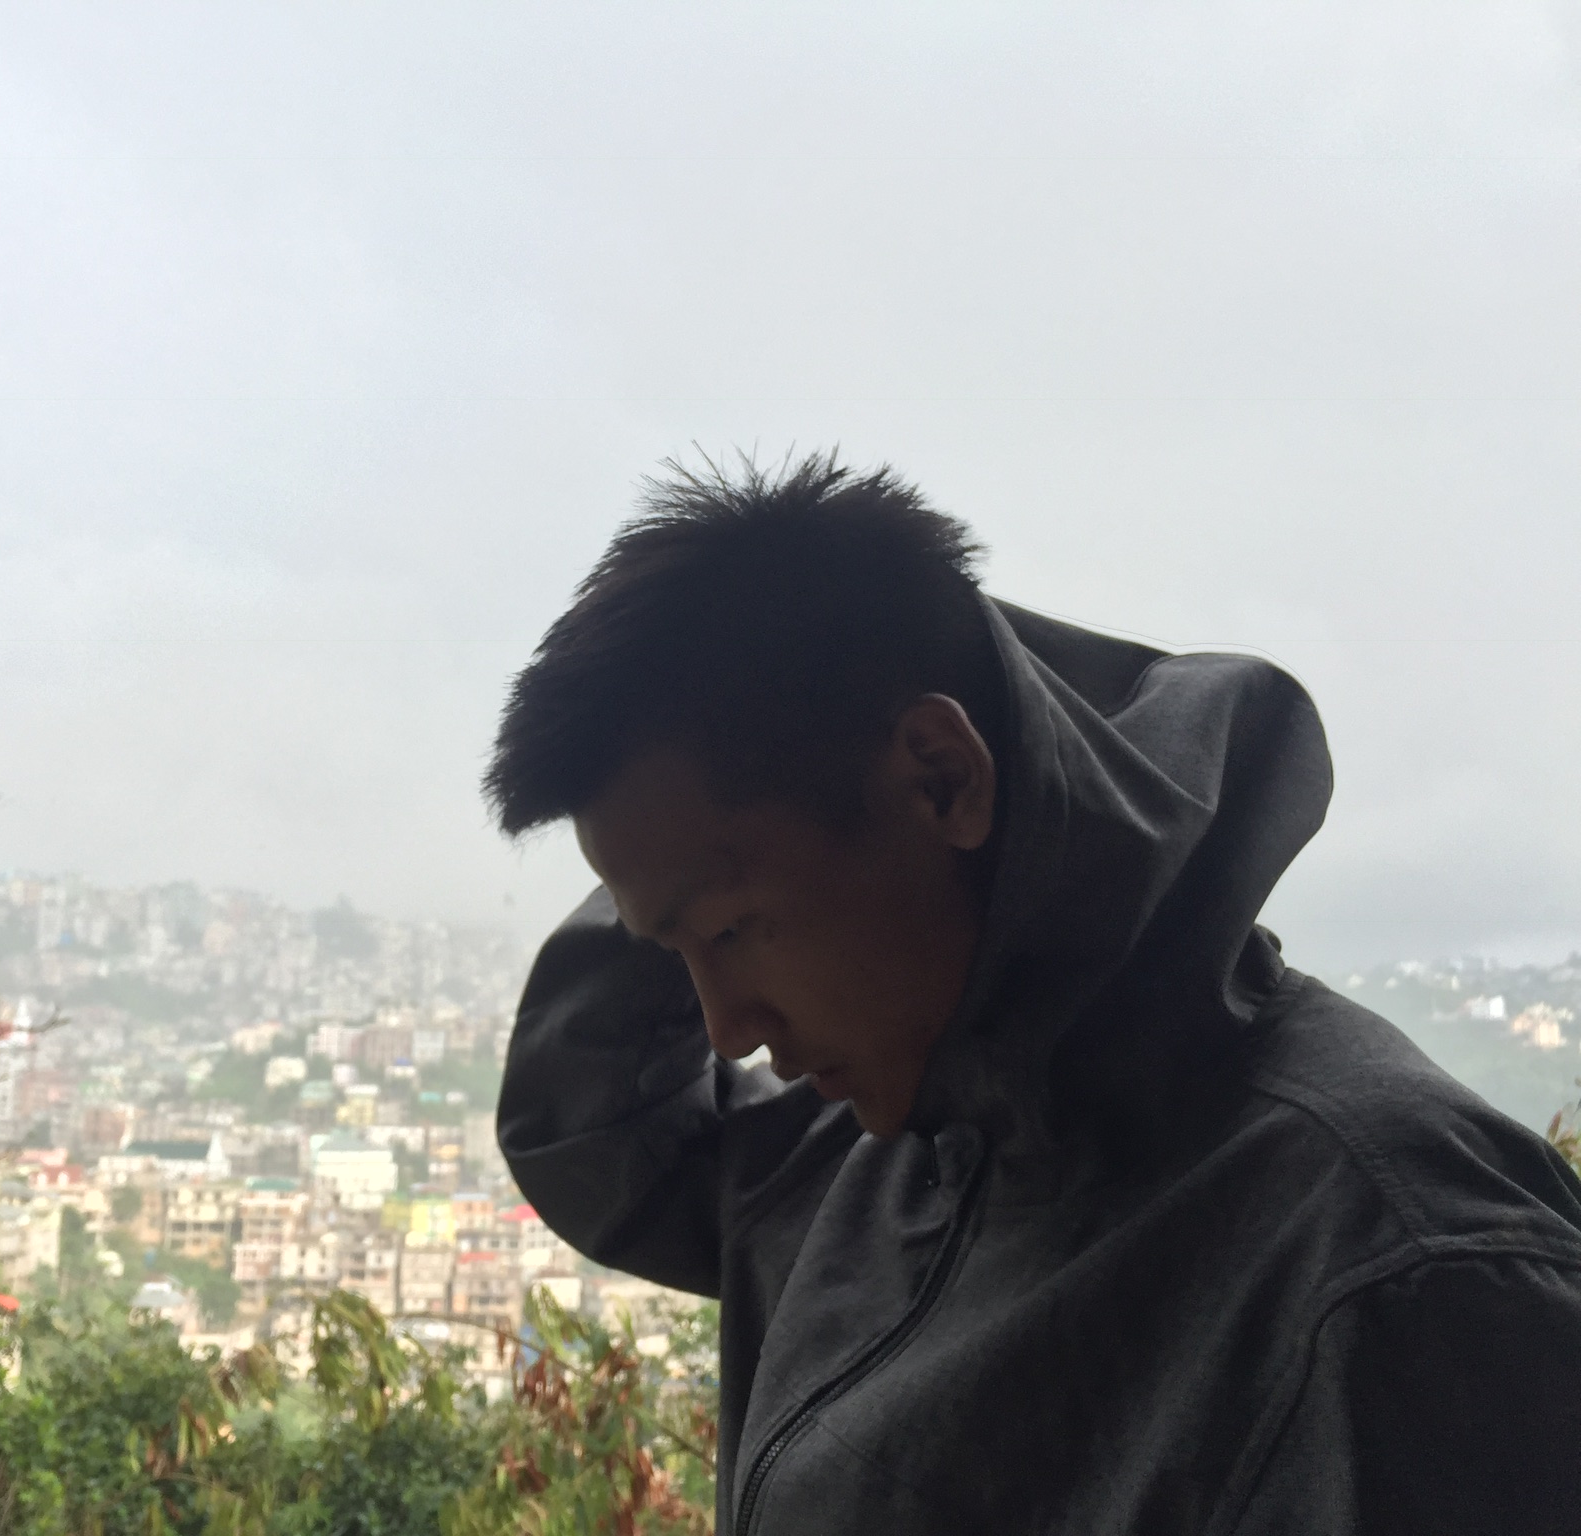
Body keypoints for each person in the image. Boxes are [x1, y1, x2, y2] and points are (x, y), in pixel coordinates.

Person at [484, 453, 1581, 1534]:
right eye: (674, 951)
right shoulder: (876, 1158)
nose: (726, 1029)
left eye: (732, 930)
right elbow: (595, 1131)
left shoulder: (1403, 1271)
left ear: (941, 778)